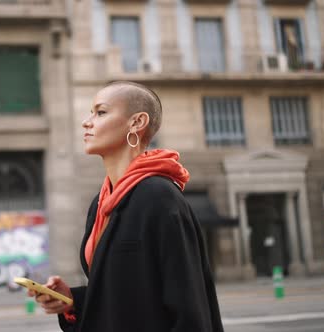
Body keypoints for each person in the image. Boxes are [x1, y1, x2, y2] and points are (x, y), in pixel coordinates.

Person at [27, 81, 224, 332]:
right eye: (91, 113)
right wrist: (72, 300)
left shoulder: (160, 198)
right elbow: (128, 298)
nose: (87, 122)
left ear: (136, 123)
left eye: (101, 112)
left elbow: (190, 310)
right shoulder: (100, 203)